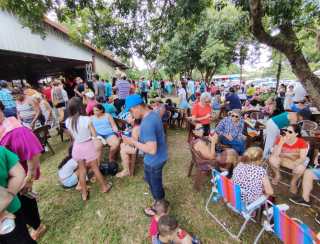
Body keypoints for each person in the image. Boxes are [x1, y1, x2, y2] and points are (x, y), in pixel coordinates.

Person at [0, 102, 46, 241]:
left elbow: (33, 154)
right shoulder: (4, 128)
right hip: (10, 181)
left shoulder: (15, 130)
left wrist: (29, 178)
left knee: (25, 204)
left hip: (19, 180)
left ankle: (38, 227)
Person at [123, 94, 168, 216]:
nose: (131, 114)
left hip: (155, 159)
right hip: (159, 156)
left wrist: (132, 141)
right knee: (151, 181)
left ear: (137, 107)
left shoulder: (147, 123)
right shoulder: (152, 113)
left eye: (131, 111)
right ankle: (159, 199)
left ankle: (160, 207)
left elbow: (151, 150)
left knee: (155, 185)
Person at [66, 97, 112, 201]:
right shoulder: (87, 119)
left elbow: (73, 137)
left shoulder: (68, 121)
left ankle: (84, 193)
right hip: (87, 146)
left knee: (82, 170)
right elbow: (94, 134)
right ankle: (105, 187)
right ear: (81, 107)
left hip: (77, 147)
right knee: (95, 168)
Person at [0, 147, 37, 244]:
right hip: (11, 210)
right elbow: (19, 173)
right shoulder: (1, 150)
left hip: (9, 213)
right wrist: (10, 195)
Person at [269, 125, 309, 194]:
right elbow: (275, 154)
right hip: (281, 160)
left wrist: (296, 163)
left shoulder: (302, 142)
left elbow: (302, 158)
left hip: (294, 162)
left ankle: (293, 183)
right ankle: (278, 175)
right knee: (272, 159)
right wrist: (281, 143)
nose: (287, 133)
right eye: (286, 130)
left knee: (301, 168)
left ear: (296, 134)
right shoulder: (280, 139)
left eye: (290, 132)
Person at [116, 113, 140, 177]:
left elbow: (134, 143)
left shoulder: (136, 128)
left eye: (128, 117)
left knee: (123, 150)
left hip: (140, 149)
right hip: (137, 146)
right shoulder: (132, 126)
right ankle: (126, 163)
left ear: (133, 119)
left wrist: (123, 137)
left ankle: (126, 170)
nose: (126, 118)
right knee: (122, 145)